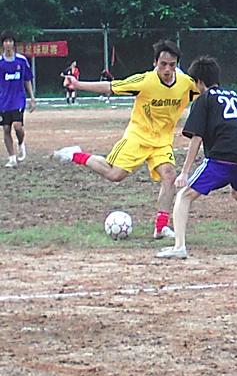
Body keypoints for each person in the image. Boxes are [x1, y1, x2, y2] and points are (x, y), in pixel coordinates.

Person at [54, 40, 198, 239]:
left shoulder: (186, 84)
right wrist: (78, 84)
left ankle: (161, 227)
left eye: (172, 65)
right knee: (114, 175)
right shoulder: (144, 81)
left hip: (162, 142)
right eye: (163, 64)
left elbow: (208, 92)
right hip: (137, 137)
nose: (167, 69)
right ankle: (76, 155)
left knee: (169, 175)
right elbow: (110, 86)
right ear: (155, 63)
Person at [157, 56, 237, 259]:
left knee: (184, 195)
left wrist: (184, 172)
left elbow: (197, 137)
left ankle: (179, 247)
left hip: (222, 158)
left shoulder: (204, 99)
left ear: (199, 82)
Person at [0, 31, 36, 168]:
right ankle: (12, 158)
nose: (8, 44)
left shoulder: (21, 60)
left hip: (18, 99)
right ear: (3, 44)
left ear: (14, 43)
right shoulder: (0, 62)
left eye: (10, 41)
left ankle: (21, 143)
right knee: (6, 128)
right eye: (6, 41)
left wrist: (32, 98)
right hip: (4, 101)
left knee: (17, 126)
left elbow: (27, 80)